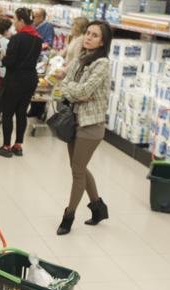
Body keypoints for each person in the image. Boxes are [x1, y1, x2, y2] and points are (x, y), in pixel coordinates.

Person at [54, 20, 112, 235]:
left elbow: (85, 91)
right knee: (79, 167)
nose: (88, 37)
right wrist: (71, 88)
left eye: (94, 35)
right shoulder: (81, 58)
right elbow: (69, 84)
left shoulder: (102, 64)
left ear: (103, 41)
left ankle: (68, 217)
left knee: (78, 171)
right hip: (74, 121)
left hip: (91, 125)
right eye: (88, 33)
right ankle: (98, 208)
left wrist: (70, 89)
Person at [0, 7, 41, 158]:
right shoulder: (38, 39)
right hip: (31, 79)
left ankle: (6, 146)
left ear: (21, 20)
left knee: (7, 113)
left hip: (15, 80)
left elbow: (10, 62)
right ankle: (18, 145)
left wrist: (3, 56)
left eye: (15, 20)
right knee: (22, 113)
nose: (14, 23)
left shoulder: (17, 38)